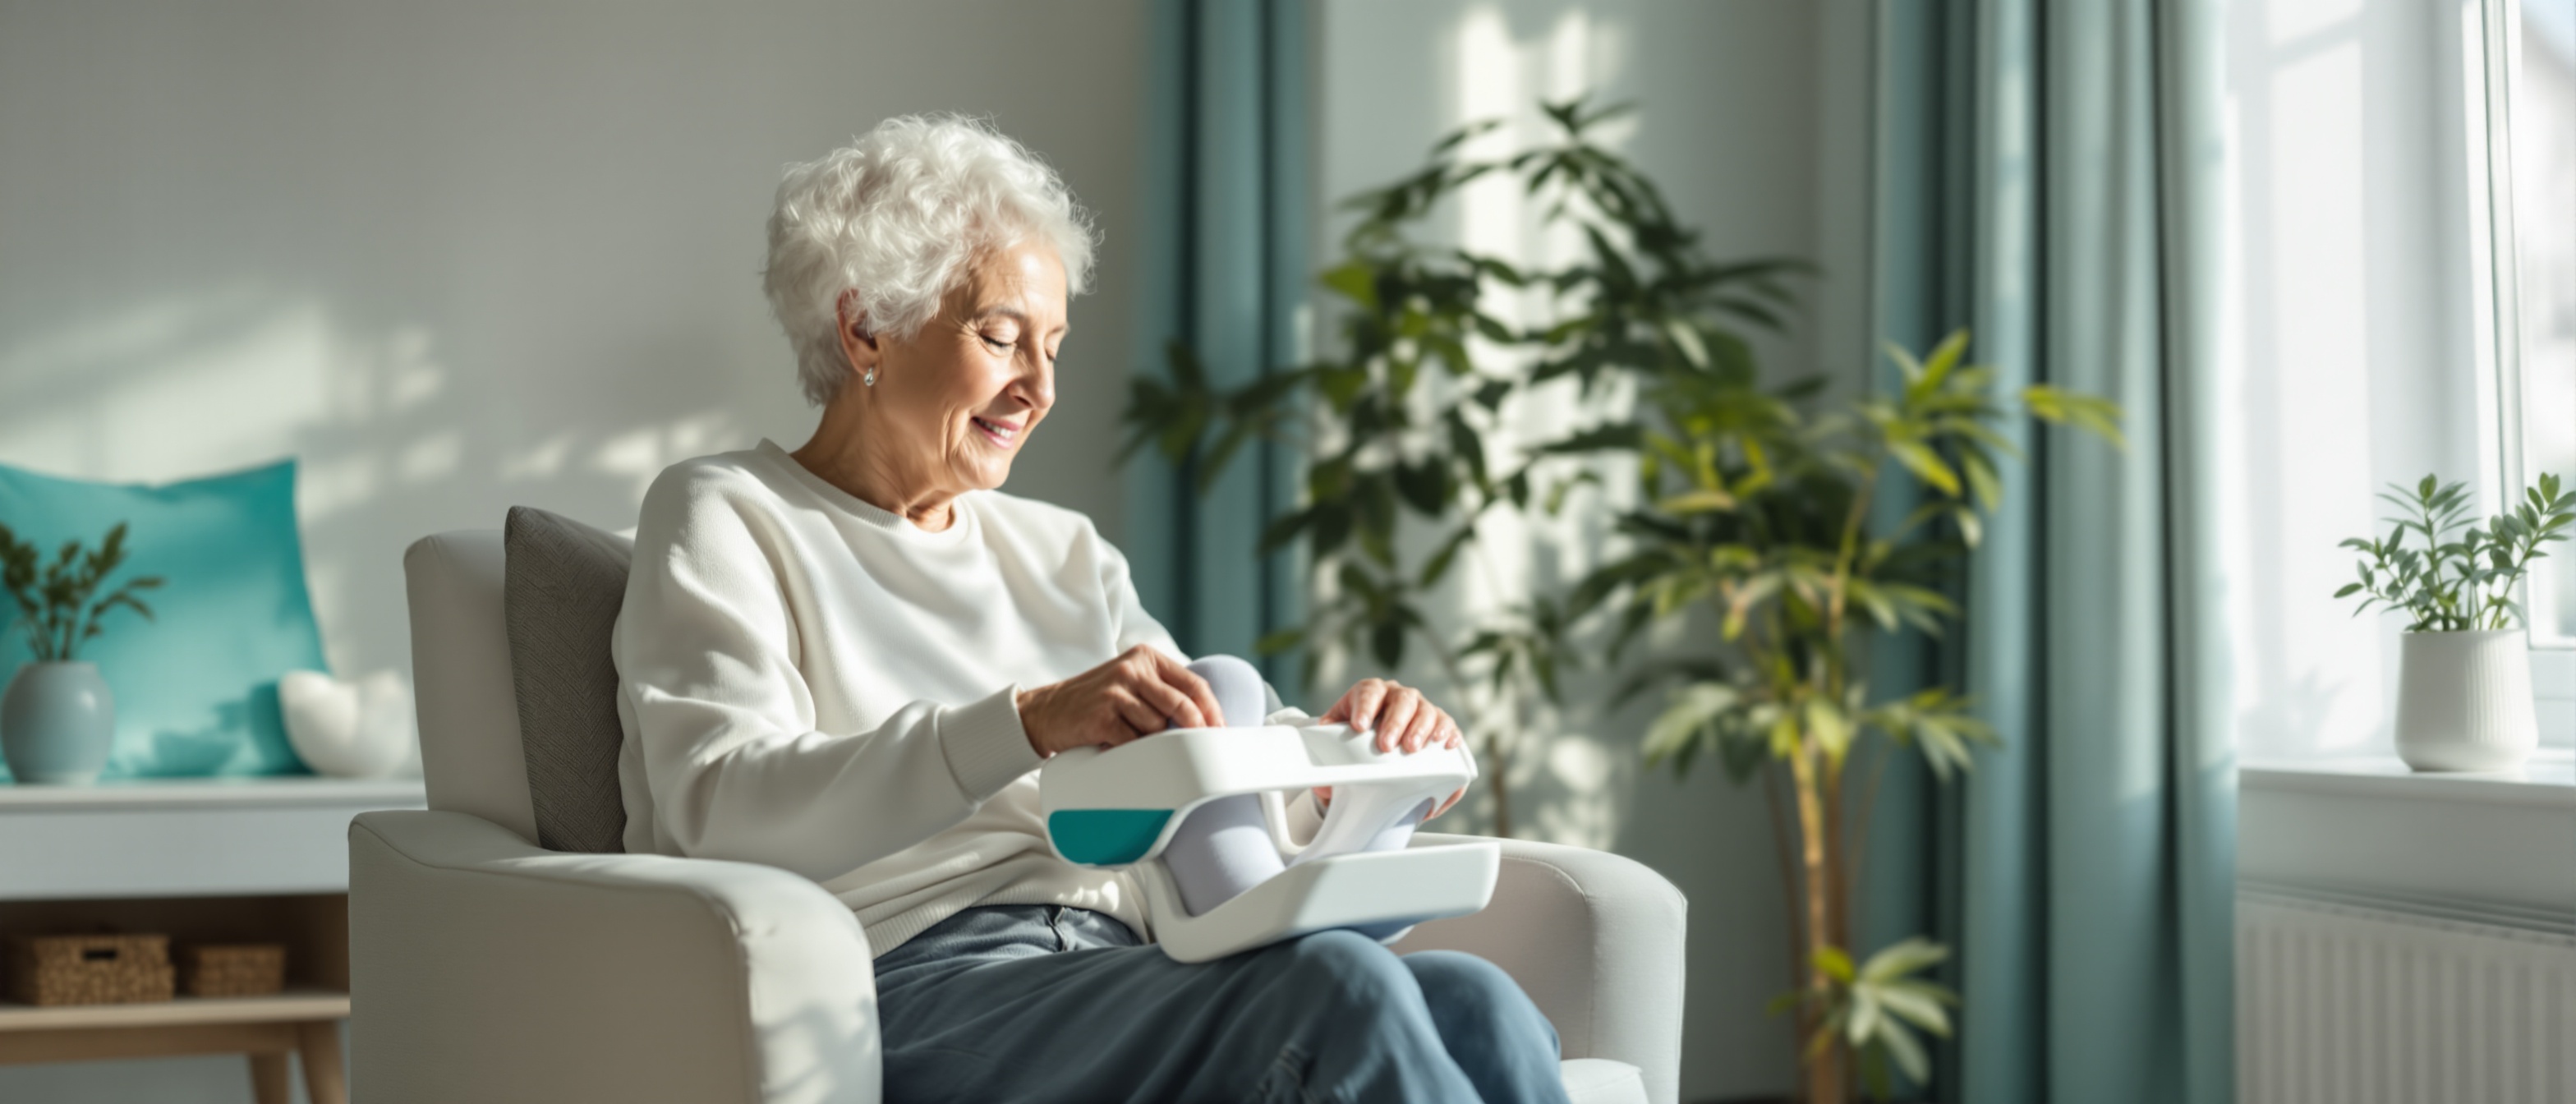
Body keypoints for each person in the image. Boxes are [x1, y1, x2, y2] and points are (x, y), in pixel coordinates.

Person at [612, 113, 1571, 1104]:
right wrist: (1022, 725)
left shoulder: (1063, 550)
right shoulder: (730, 512)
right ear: (866, 328)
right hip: (914, 983)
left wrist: (1351, 769)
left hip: (1133, 961)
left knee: (1477, 1003)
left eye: (1054, 346)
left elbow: (1203, 778)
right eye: (1000, 337)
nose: (1038, 387)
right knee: (1338, 990)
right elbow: (716, 807)